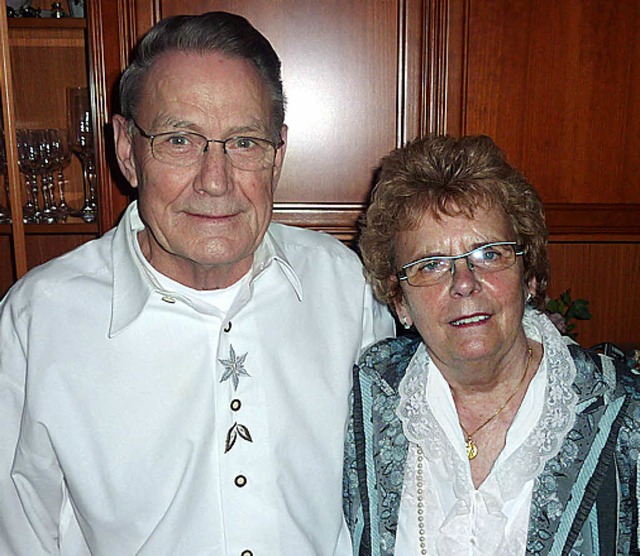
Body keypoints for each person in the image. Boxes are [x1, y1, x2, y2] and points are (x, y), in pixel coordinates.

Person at [0, 12, 394, 555]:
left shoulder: (346, 287)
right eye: (180, 140)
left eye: (244, 142)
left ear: (277, 154)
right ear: (125, 149)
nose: (216, 181)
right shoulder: (37, 321)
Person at [343, 134, 640, 554]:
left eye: (488, 254)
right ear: (399, 300)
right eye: (431, 264)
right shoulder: (369, 399)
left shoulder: (621, 411)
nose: (463, 283)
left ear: (529, 275)